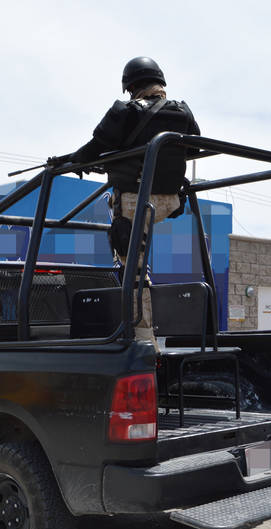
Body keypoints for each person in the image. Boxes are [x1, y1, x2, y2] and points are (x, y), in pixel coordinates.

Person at [65, 57, 200, 341]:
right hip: (171, 201)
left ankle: (142, 338)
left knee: (133, 273)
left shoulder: (125, 112)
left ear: (131, 87)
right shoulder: (183, 112)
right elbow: (194, 147)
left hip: (135, 202)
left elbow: (95, 147)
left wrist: (76, 160)